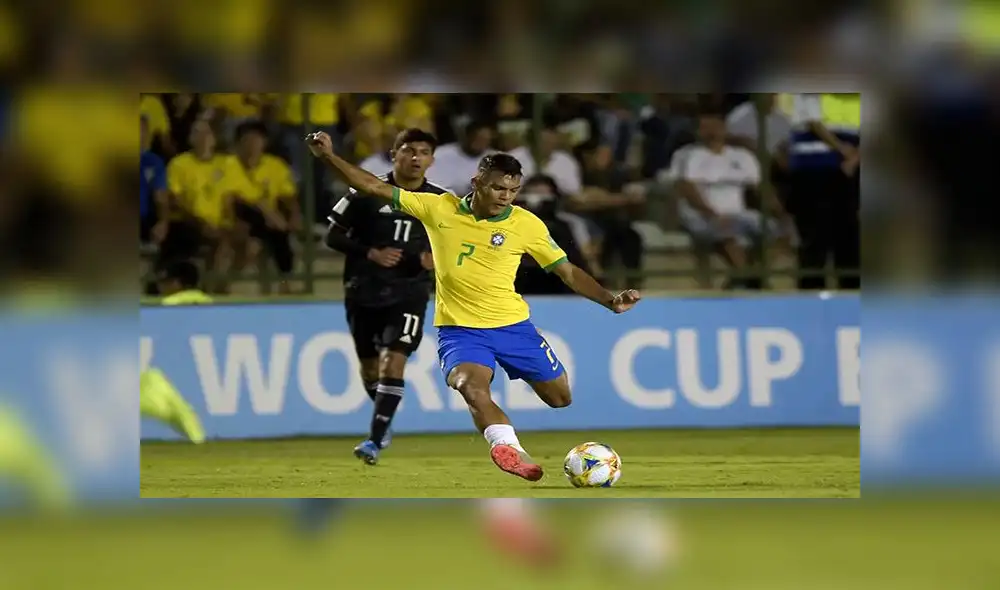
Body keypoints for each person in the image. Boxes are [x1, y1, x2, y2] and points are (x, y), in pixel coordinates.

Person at [306, 131, 641, 481]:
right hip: (460, 331)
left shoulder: (526, 224)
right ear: (477, 181)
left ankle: (508, 439)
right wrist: (328, 156)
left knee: (560, 398)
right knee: (472, 388)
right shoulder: (439, 208)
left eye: (513, 191)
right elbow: (372, 187)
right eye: (498, 188)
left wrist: (610, 300)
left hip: (514, 327)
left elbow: (567, 271)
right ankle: (508, 447)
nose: (506, 197)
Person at [325, 128, 448, 465]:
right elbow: (332, 237)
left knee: (393, 361)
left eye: (423, 152)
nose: (416, 158)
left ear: (432, 160)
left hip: (409, 293)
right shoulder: (365, 190)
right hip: (363, 289)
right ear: (394, 154)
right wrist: (370, 252)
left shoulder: (442, 201)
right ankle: (384, 418)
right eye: (408, 150)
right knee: (369, 370)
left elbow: (459, 242)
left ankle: (375, 440)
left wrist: (437, 259)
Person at [669, 109, 797, 290]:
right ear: (698, 131)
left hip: (739, 214)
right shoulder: (688, 156)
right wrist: (712, 214)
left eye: (716, 126)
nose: (712, 131)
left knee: (782, 232)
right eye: (706, 127)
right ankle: (750, 279)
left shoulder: (742, 156)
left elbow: (762, 190)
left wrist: (781, 213)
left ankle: (745, 277)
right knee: (727, 232)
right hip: (702, 214)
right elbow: (688, 190)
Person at [140, 260, 208, 443]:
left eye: (165, 281)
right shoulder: (209, 301)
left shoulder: (167, 304)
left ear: (178, 283)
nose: (161, 286)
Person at [232, 121, 301, 294]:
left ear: (264, 142)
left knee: (278, 233)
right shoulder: (228, 164)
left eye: (257, 140)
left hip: (265, 221)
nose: (252, 144)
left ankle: (285, 282)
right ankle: (285, 283)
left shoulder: (275, 165)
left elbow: (288, 196)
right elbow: (234, 198)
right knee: (265, 221)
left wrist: (294, 215)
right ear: (239, 143)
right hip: (239, 214)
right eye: (248, 140)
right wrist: (267, 211)